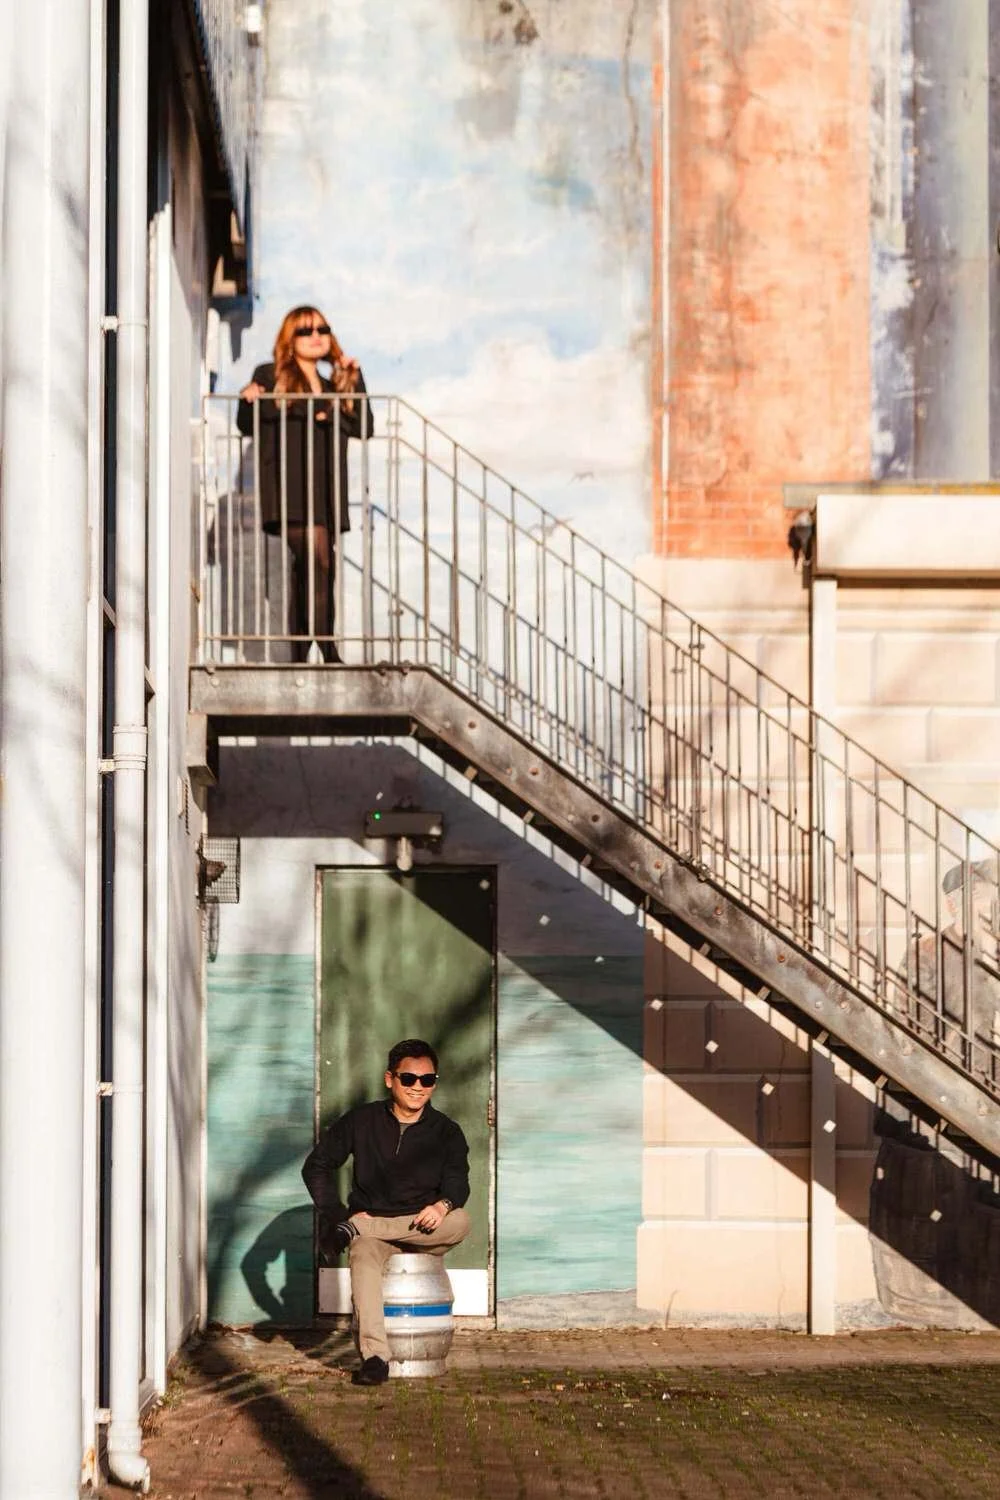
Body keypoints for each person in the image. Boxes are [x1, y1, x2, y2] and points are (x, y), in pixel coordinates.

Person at [302, 1038, 471, 1386]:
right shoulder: (361, 1121)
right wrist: (337, 1216)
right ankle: (376, 1358)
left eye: (428, 1080)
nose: (418, 1087)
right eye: (409, 1078)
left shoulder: (447, 1132)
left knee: (462, 1220)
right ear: (389, 1079)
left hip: (425, 1229)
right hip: (375, 1235)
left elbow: (458, 1186)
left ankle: (359, 1229)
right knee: (362, 1255)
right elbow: (316, 1166)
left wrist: (442, 1205)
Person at [236, 305, 374, 662]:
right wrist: (248, 398)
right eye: (305, 331)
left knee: (311, 566)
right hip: (290, 487)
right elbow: (246, 422)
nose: (316, 337)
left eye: (322, 329)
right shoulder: (271, 374)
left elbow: (364, 428)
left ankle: (302, 649)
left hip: (326, 489)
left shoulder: (333, 385)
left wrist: (354, 380)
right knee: (318, 562)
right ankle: (325, 647)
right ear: (290, 338)